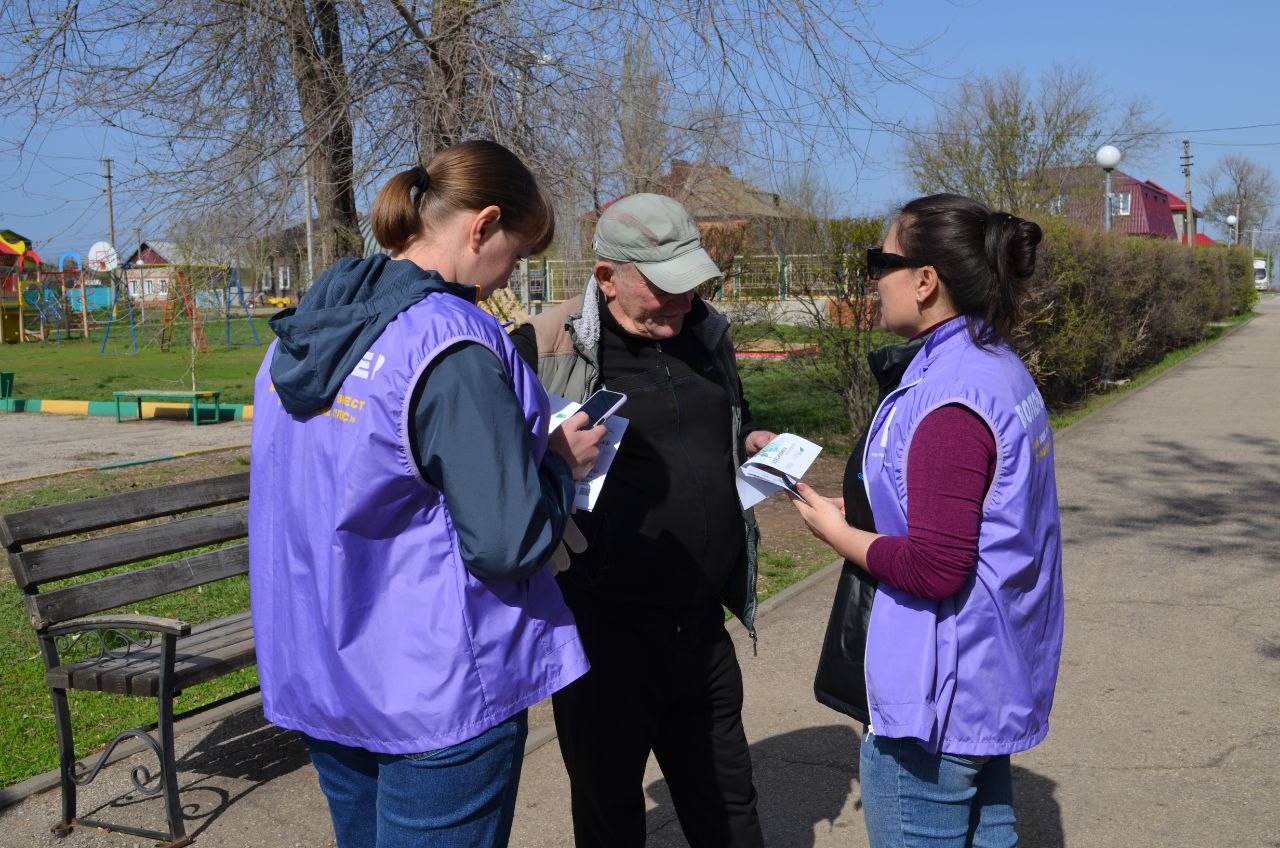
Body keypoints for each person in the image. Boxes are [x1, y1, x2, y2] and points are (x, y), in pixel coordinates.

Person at [247, 140, 607, 848]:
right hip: (436, 693)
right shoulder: (451, 346)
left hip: (325, 670)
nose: (510, 276)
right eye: (518, 253)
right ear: (484, 225)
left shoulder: (301, 337)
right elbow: (507, 540)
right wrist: (561, 465)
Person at [792, 193, 1064, 848]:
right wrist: (853, 512)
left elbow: (937, 565)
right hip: (988, 675)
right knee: (990, 833)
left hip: (938, 699)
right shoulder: (990, 362)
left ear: (925, 279)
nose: (871, 279)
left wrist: (837, 535)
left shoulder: (950, 399)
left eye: (878, 261)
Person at [510, 193, 774, 848]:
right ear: (608, 277)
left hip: (698, 625)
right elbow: (499, 479)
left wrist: (749, 442)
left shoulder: (709, 336)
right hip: (601, 634)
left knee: (730, 808)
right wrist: (547, 453)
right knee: (609, 816)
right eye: (666, 287)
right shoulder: (539, 348)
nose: (685, 300)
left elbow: (716, 425)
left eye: (694, 284)